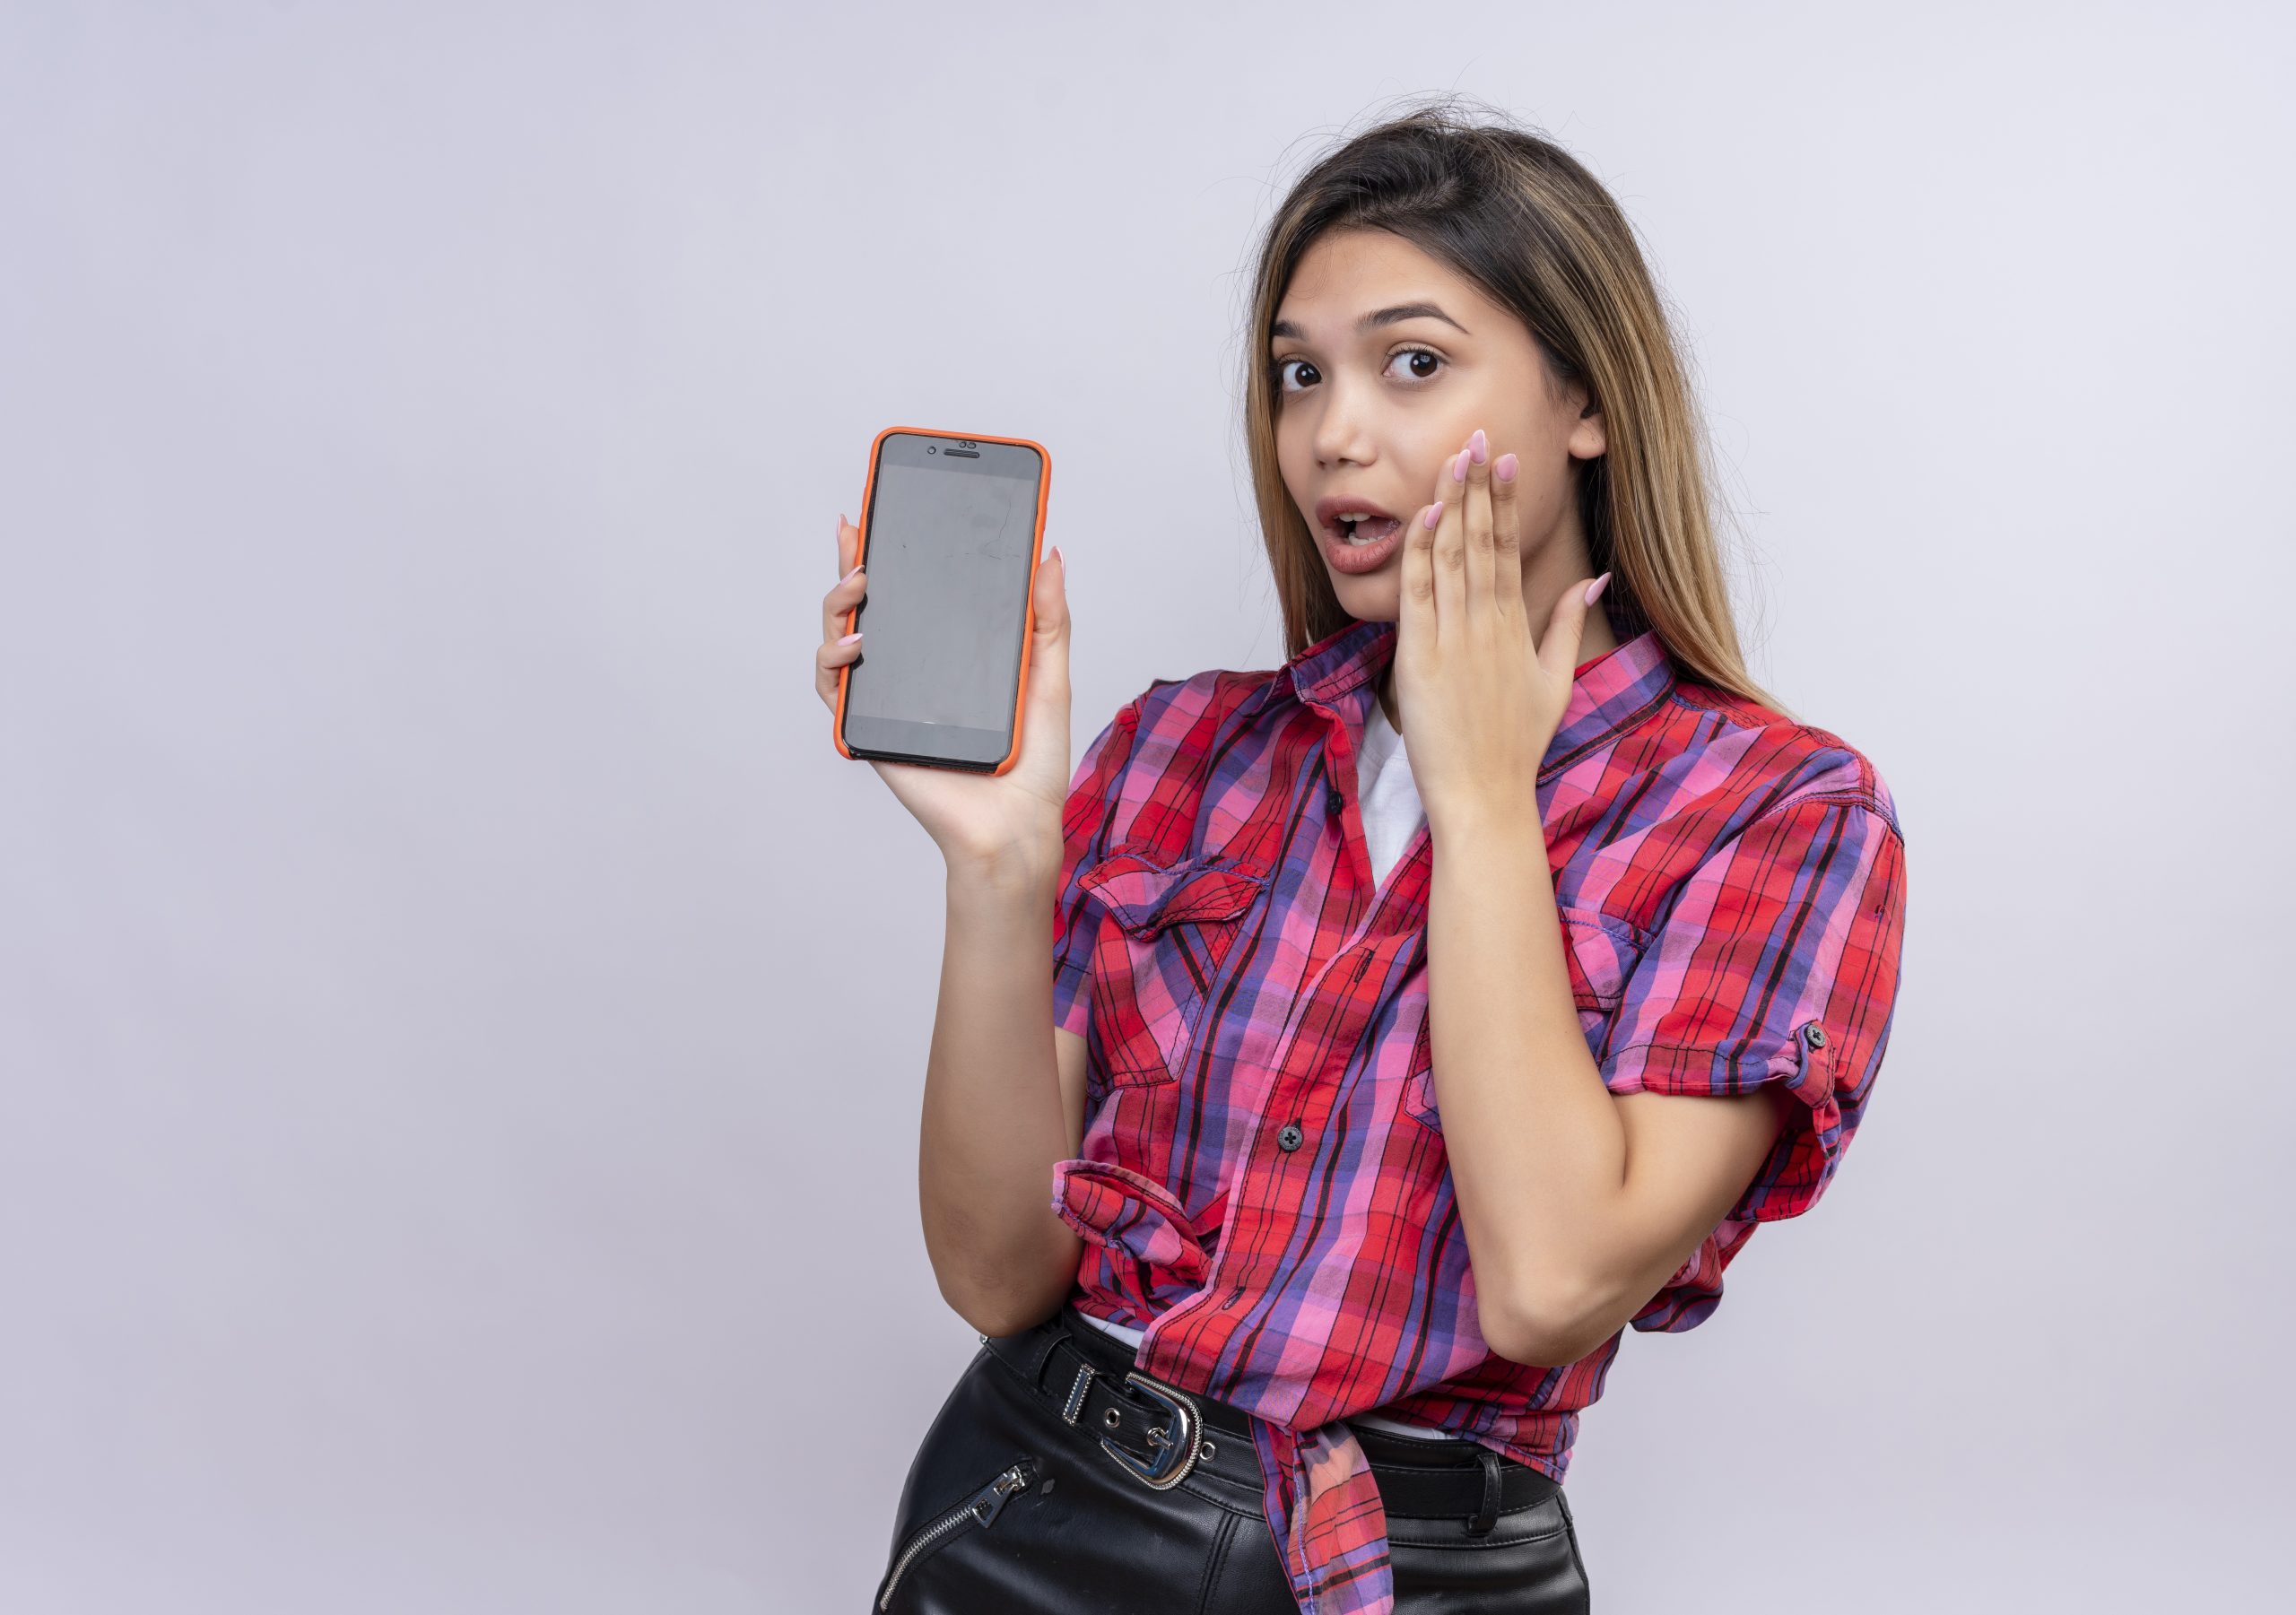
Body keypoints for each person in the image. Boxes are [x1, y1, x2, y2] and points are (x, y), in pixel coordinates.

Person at [813, 100, 1909, 1615]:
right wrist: (997, 868)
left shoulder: (1779, 815)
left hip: (1408, 1575)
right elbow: (1001, 1275)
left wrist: (1480, 796)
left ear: (1585, 398)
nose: (1335, 430)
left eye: (1412, 363)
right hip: (1030, 1511)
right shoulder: (1189, 748)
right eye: (1298, 372)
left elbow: (1549, 1280)